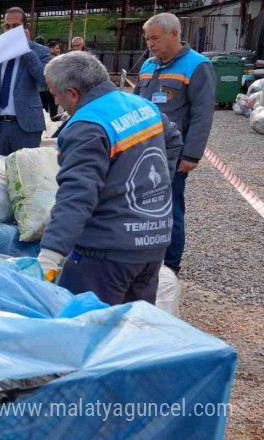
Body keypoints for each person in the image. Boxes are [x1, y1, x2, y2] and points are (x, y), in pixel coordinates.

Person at [37, 51, 184, 305]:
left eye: (55, 93)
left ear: (73, 93)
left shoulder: (88, 126)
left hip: (105, 253)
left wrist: (50, 255)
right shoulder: (143, 106)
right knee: (130, 332)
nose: (57, 102)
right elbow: (173, 142)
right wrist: (153, 188)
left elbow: (77, 195)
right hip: (152, 244)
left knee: (85, 331)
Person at [133, 13, 215, 275]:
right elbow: (135, 104)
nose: (150, 43)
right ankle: (145, 256)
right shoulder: (148, 66)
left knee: (170, 208)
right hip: (141, 149)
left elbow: (203, 114)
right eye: (147, 38)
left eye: (155, 38)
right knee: (141, 205)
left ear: (174, 35)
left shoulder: (197, 66)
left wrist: (191, 154)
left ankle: (170, 265)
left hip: (173, 154)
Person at [0, 7, 52, 156]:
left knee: (24, 174)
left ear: (25, 28)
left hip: (26, 127)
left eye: (16, 26)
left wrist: (26, 50)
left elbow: (45, 80)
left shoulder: (39, 51)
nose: (10, 30)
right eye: (7, 26)